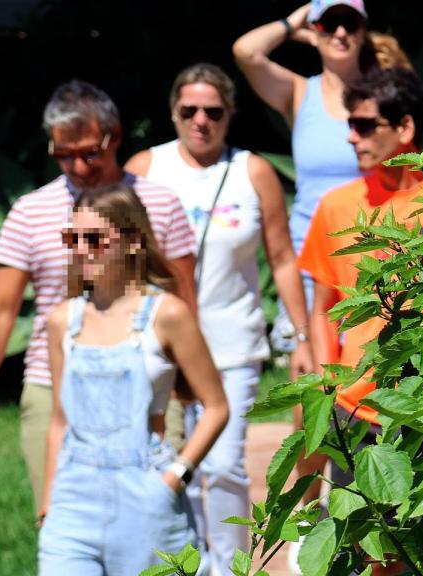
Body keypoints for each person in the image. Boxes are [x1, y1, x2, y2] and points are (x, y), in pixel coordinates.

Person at [0, 80, 198, 515]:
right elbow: (1, 310)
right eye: (63, 155)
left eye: (89, 152)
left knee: (148, 524)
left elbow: (184, 297)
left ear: (114, 136)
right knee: (58, 521)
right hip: (52, 382)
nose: (77, 166)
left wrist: (186, 388)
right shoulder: (30, 211)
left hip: (148, 380)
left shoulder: (160, 203)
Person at [125, 63, 313, 574]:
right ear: (173, 113)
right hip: (159, 344)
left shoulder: (253, 172)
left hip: (232, 342)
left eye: (213, 111)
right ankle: (181, 559)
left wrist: (300, 337)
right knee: (160, 462)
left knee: (224, 464)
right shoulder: (145, 169)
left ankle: (230, 566)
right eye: (189, 110)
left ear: (230, 115)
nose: (201, 121)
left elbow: (281, 258)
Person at [296, 66, 423, 575]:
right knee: (372, 556)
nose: (351, 137)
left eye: (365, 125)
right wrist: (326, 386)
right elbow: (323, 310)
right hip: (357, 409)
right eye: (350, 124)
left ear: (405, 128)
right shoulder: (336, 206)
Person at [38, 184, 229, 574]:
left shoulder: (167, 314)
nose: (80, 249)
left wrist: (175, 477)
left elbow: (217, 407)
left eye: (93, 238)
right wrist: (49, 501)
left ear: (132, 242)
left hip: (146, 492)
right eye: (71, 238)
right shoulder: (63, 322)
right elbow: (60, 420)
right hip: (73, 497)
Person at [231, 0, 410, 348]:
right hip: (310, 258)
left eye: (350, 22)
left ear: (363, 31)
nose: (341, 32)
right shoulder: (299, 92)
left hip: (373, 255)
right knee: (312, 379)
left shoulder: (385, 97)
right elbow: (245, 51)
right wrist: (295, 20)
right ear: (314, 30)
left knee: (373, 376)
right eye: (330, 22)